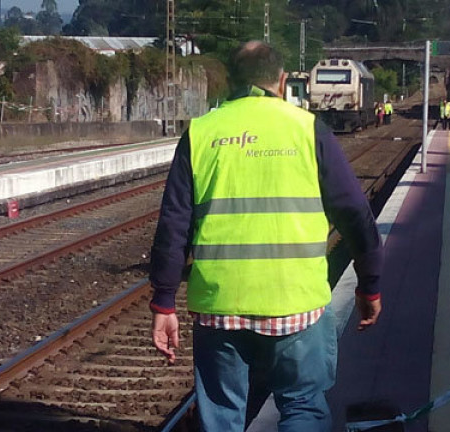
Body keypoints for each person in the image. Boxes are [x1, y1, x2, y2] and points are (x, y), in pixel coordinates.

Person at [149, 41, 384, 431]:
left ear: (232, 80)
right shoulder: (309, 129)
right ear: (282, 80)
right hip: (296, 303)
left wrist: (164, 302)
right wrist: (370, 286)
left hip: (219, 305)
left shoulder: (202, 133)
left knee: (221, 415)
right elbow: (356, 216)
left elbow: (174, 224)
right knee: (303, 407)